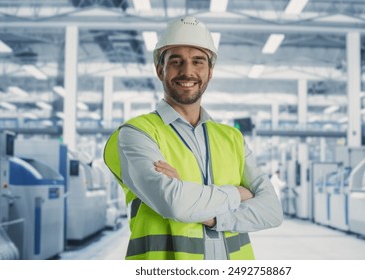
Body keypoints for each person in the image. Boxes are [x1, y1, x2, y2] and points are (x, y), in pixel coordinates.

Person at [104, 15, 283, 260]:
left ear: (210, 72)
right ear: (160, 70)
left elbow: (272, 211)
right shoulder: (137, 134)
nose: (187, 71)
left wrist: (211, 216)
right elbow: (174, 203)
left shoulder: (232, 138)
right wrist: (237, 193)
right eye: (176, 61)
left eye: (198, 62)